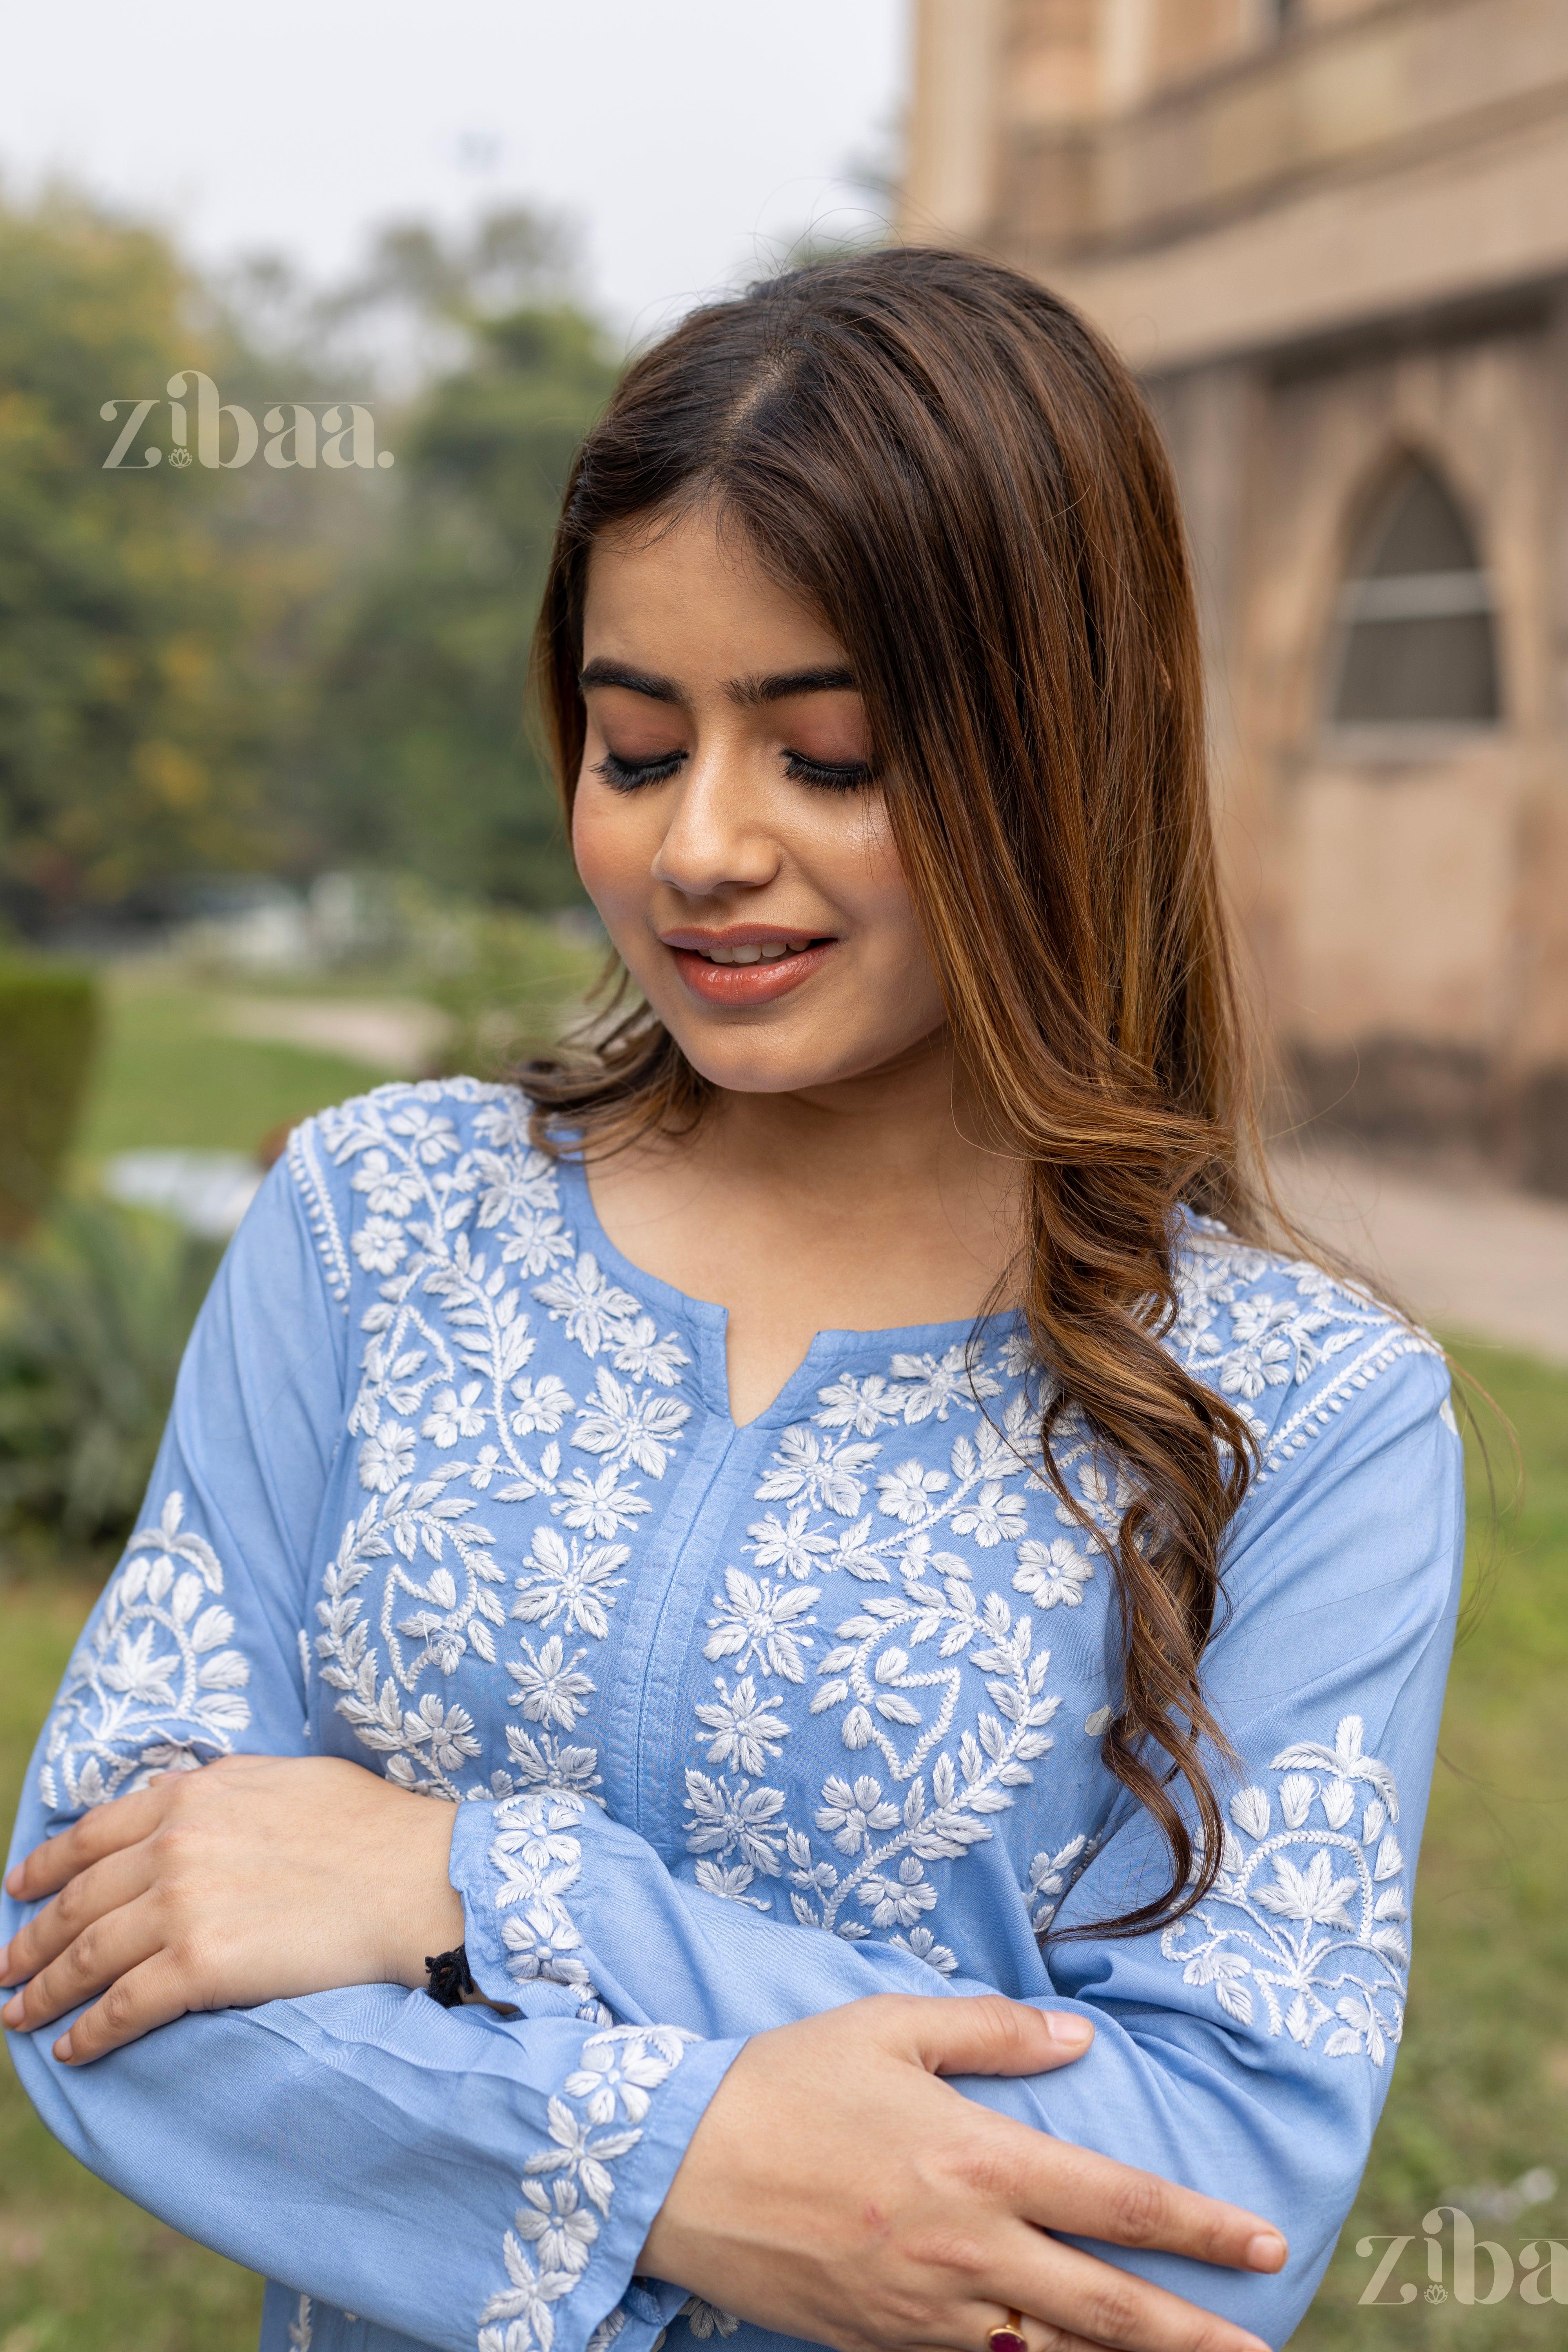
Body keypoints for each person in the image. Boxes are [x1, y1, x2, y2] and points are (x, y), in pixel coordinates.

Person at [1, 249, 1462, 2352]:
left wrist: (477, 1886)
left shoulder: (1304, 1422)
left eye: (831, 757)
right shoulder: (377, 1234)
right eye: (631, 744)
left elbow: (1189, 2211)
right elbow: (97, 1962)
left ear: (1063, 753)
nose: (702, 845)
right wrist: (689, 2168)